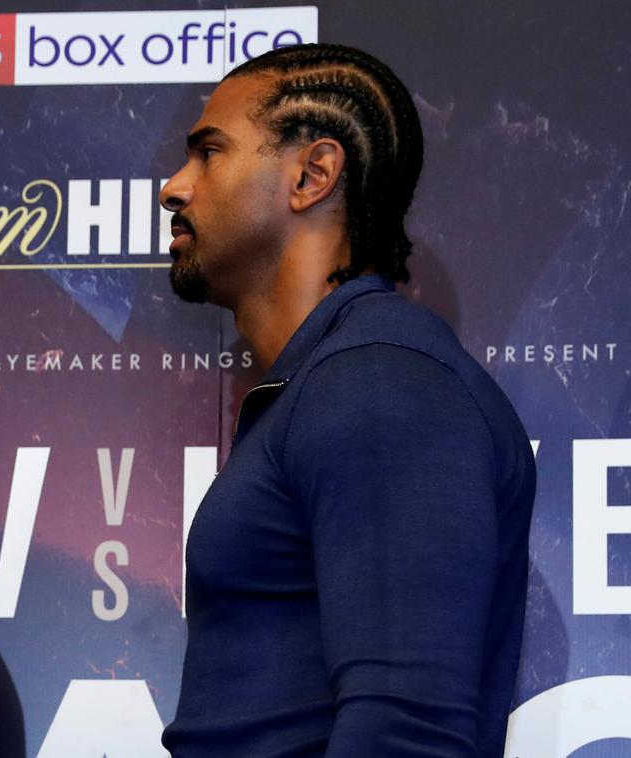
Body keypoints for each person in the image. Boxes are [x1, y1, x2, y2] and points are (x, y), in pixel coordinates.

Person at [159, 43, 535, 757]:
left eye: (209, 153)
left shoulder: (378, 385)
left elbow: (409, 733)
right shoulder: (335, 379)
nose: (174, 187)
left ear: (312, 175)